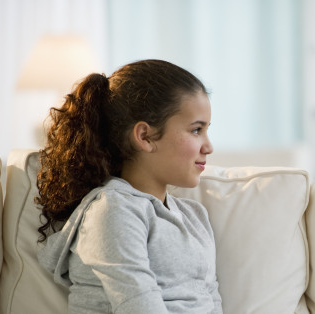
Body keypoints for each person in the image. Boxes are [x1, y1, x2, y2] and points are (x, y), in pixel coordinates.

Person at [35, 59, 222, 314]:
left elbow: (211, 302)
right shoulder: (112, 210)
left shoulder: (195, 217)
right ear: (144, 136)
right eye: (196, 130)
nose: (208, 147)